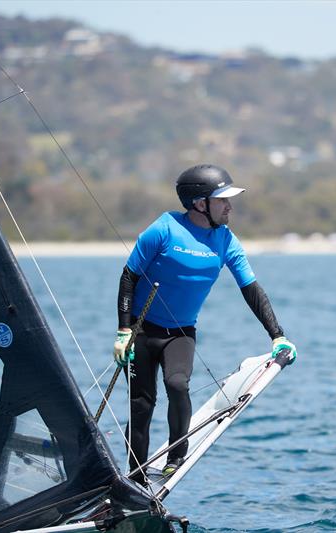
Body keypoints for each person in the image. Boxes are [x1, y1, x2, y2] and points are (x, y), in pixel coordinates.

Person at [114, 163, 297, 484]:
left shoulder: (225, 240)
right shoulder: (164, 229)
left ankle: (175, 455)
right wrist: (123, 331)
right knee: (140, 405)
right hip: (142, 331)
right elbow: (129, 276)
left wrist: (277, 336)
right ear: (200, 203)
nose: (230, 206)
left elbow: (251, 288)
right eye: (222, 199)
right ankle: (135, 475)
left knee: (177, 384)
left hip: (182, 333)